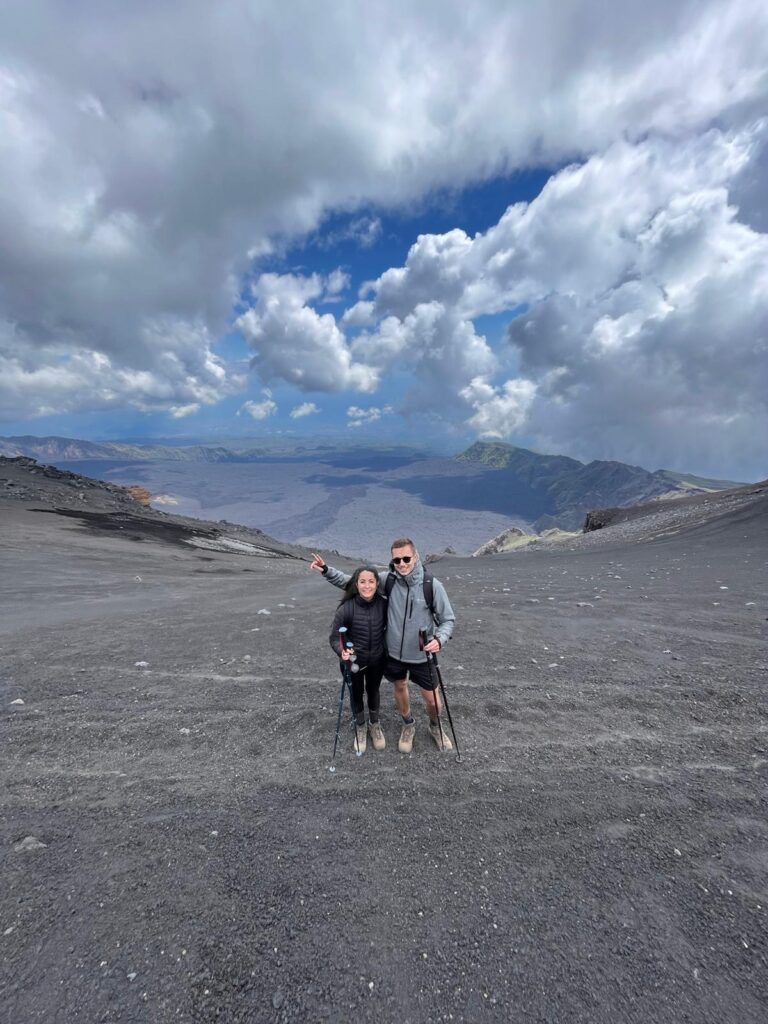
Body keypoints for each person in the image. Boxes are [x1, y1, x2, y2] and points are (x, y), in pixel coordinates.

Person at [312, 537, 456, 753]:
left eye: (406, 558)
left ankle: (435, 726)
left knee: (433, 700)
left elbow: (447, 619)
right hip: (394, 655)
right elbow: (355, 582)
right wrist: (326, 570)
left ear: (416, 557)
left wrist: (439, 639)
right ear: (392, 561)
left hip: (421, 655)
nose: (402, 564)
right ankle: (408, 724)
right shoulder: (388, 580)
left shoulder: (431, 586)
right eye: (397, 560)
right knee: (400, 687)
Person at [329, 566, 388, 754]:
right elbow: (334, 638)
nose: (367, 585)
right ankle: (361, 727)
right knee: (356, 693)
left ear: (377, 584)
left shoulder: (384, 604)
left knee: (373, 690)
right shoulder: (346, 609)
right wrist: (341, 652)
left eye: (371, 581)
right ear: (356, 584)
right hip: (352, 661)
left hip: (377, 660)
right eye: (362, 581)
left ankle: (374, 724)